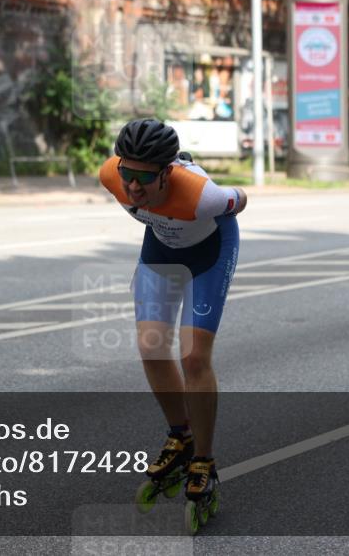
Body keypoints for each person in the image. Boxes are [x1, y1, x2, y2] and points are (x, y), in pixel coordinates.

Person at [98, 118, 246, 504]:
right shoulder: (110, 175)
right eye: (127, 173)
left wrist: (225, 192)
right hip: (161, 250)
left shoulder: (202, 196)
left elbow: (241, 199)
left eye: (145, 178)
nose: (133, 187)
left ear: (167, 172)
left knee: (193, 357)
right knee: (151, 347)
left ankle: (204, 460)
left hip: (209, 253)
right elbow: (130, 183)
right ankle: (181, 436)